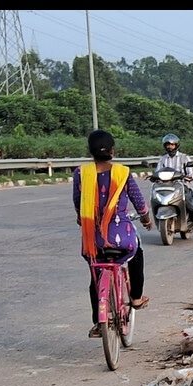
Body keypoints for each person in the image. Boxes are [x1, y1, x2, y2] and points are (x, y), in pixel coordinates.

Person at [74, 130, 151, 339]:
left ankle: (98, 323)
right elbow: (139, 202)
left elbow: (78, 202)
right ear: (113, 151)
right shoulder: (123, 173)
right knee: (138, 252)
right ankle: (135, 297)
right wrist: (146, 219)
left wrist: (82, 219)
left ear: (89, 151)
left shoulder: (81, 173)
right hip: (122, 238)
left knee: (95, 276)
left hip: (94, 241)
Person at [154, 133, 193, 225]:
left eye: (172, 144)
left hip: (182, 184)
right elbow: (158, 171)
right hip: (166, 186)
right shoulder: (162, 159)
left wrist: (189, 176)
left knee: (186, 199)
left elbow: (192, 173)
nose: (170, 147)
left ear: (176, 145)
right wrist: (153, 176)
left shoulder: (184, 158)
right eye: (168, 145)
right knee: (156, 197)